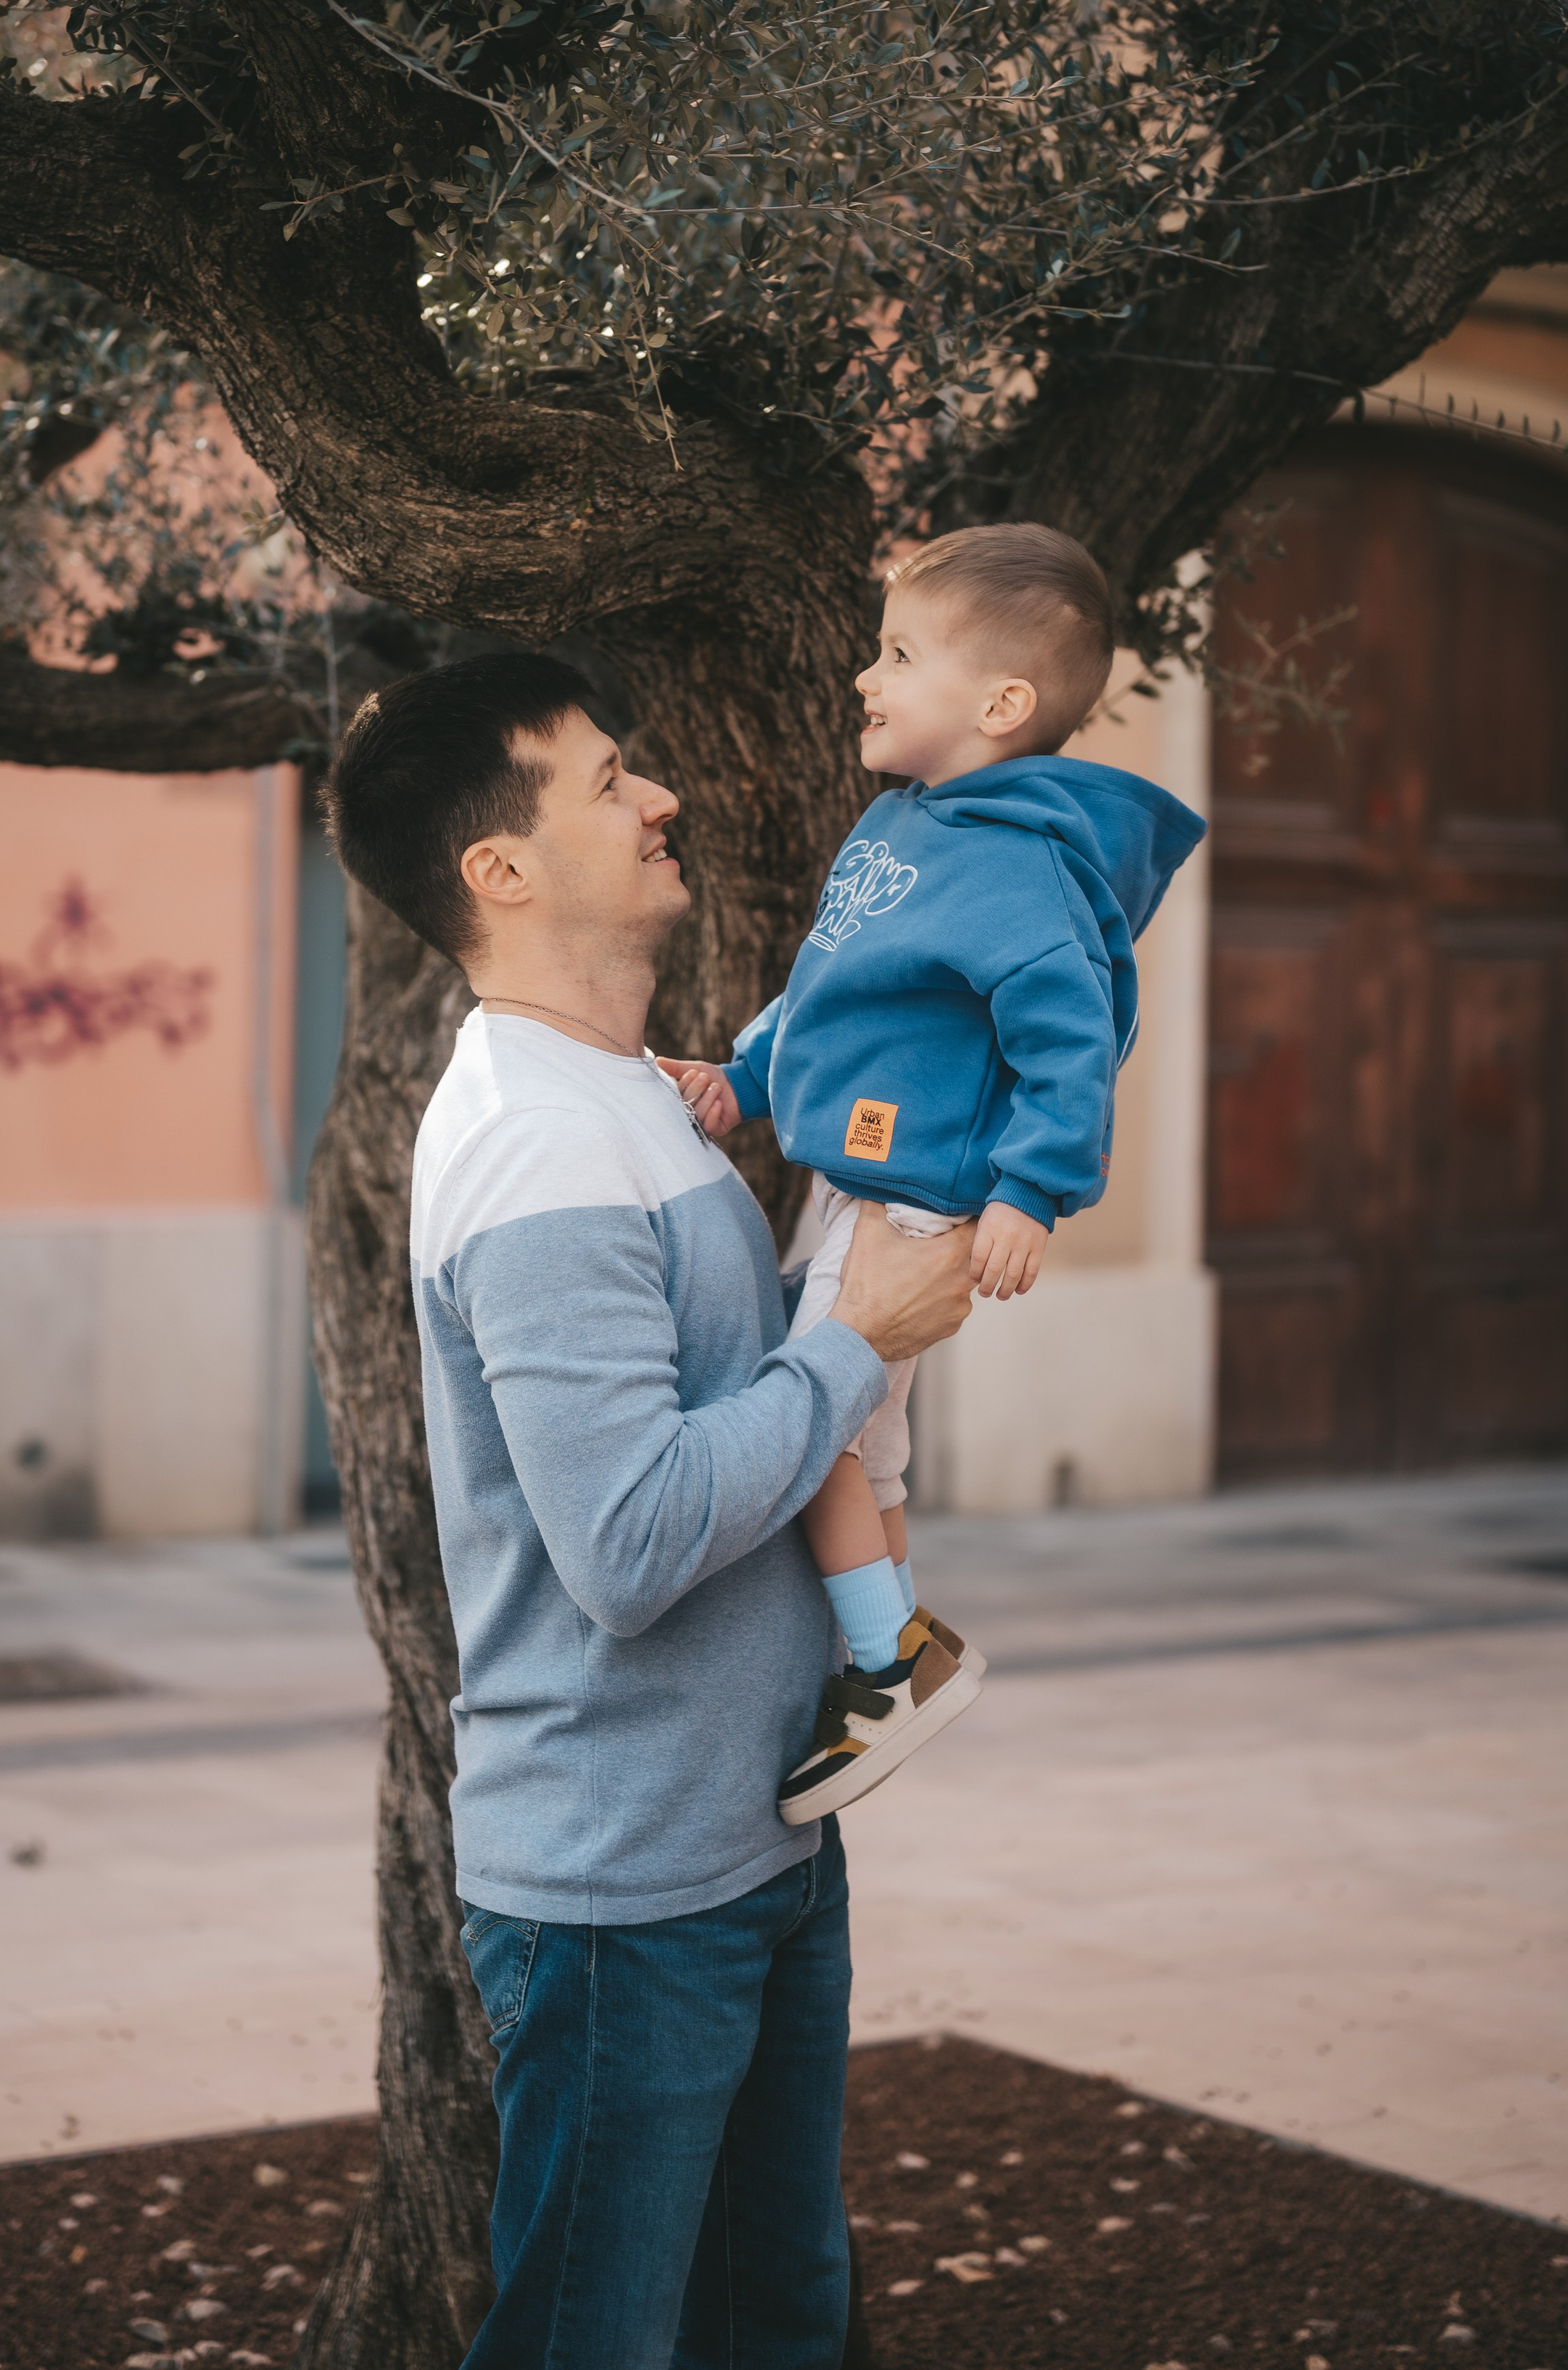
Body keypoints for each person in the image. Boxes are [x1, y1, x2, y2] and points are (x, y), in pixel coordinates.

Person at [326, 651, 975, 2370]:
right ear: (501, 869)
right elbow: (622, 1545)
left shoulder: (632, 1100)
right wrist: (853, 1341)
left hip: (752, 1838)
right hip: (624, 1896)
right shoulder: (534, 1142)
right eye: (608, 778)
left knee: (776, 2326)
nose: (660, 794)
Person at [663, 524, 1207, 1826]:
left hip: (919, 1191)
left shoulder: (1016, 862)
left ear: (1001, 705)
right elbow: (828, 981)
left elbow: (1072, 1040)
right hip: (850, 1175)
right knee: (871, 1448)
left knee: (809, 1409)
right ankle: (894, 1646)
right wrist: (743, 1076)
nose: (867, 676)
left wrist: (1031, 1191)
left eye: (900, 654)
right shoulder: (904, 821)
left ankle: (885, 1661)